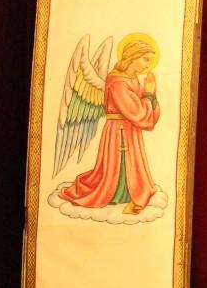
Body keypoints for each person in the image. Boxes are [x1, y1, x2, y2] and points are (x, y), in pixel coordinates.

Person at [59, 40, 160, 214]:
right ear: (132, 57)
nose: (148, 65)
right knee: (117, 163)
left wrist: (150, 94)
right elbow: (137, 111)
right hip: (118, 129)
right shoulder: (117, 81)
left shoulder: (132, 78)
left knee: (130, 162)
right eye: (145, 59)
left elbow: (142, 110)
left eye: (150, 61)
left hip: (130, 129)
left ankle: (128, 192)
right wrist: (149, 93)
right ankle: (113, 193)